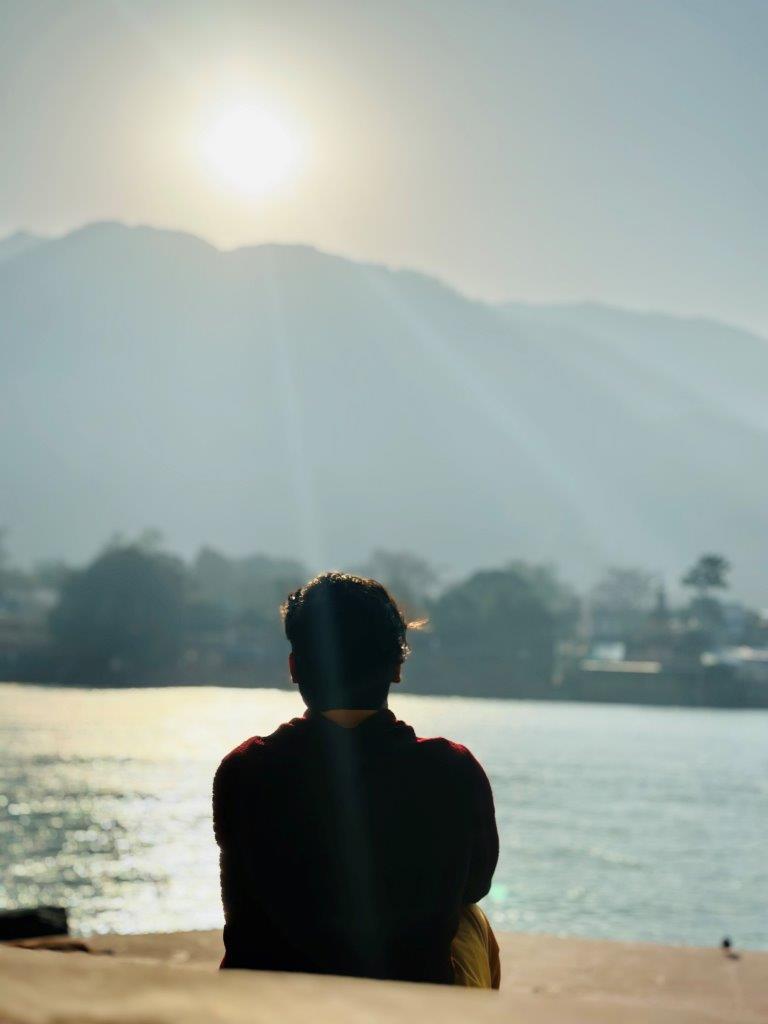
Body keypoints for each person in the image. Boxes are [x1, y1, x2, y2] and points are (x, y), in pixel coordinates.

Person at [213, 572, 500, 987]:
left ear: (295, 667)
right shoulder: (453, 770)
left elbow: (238, 905)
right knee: (471, 920)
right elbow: (476, 884)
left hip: (267, 1005)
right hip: (406, 1003)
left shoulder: (246, 768)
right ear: (397, 667)